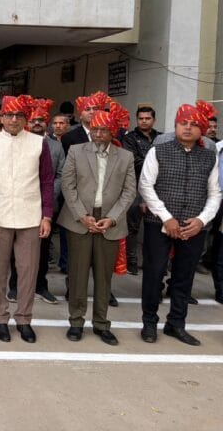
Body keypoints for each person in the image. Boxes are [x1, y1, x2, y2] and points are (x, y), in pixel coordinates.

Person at [139, 100, 222, 346]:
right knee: (154, 274)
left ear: (202, 129)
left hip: (194, 227)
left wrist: (201, 220)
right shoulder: (158, 151)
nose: (187, 128)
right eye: (183, 123)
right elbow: (146, 186)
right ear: (175, 126)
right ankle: (149, 322)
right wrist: (167, 217)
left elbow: (215, 193)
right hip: (159, 224)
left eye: (194, 124)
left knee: (184, 277)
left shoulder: (209, 156)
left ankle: (176, 324)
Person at [58, 103, 136, 345]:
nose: (98, 134)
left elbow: (129, 192)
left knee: (103, 278)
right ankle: (76, 322)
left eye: (104, 130)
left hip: (110, 221)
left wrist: (112, 218)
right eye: (95, 129)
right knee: (78, 274)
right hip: (79, 219)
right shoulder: (76, 151)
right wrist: (82, 215)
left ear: (113, 132)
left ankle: (101, 324)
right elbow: (67, 185)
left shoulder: (125, 156)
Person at [0, 95, 54, 344]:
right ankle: (0, 318)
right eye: (9, 115)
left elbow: (47, 180)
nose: (14, 120)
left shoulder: (39, 143)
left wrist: (47, 215)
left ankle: (24, 319)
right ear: (1, 118)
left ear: (26, 118)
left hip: (30, 215)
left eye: (19, 115)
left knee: (27, 271)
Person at [8, 98, 64, 305]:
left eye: (41, 120)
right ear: (26, 122)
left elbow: (60, 175)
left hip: (46, 206)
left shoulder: (56, 146)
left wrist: (46, 196)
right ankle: (15, 286)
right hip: (21, 204)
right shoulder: (18, 142)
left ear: (46, 122)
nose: (37, 123)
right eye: (33, 120)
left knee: (43, 249)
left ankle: (41, 286)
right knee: (17, 249)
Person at [121, 106, 161, 274]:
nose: (144, 121)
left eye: (147, 118)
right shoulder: (130, 138)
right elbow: (133, 161)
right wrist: (155, 163)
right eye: (141, 118)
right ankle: (131, 261)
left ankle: (151, 261)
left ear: (154, 120)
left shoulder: (160, 138)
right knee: (133, 226)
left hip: (158, 186)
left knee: (155, 225)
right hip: (135, 185)